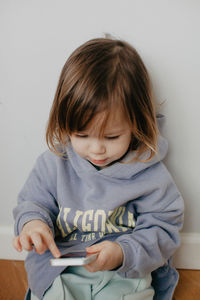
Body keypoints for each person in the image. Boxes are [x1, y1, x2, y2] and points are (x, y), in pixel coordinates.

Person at [13, 37, 184, 300]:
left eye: (112, 137)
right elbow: (32, 202)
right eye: (82, 135)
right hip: (60, 270)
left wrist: (122, 253)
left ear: (136, 123)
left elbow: (163, 230)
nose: (96, 150)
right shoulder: (53, 164)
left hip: (124, 273)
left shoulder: (150, 174)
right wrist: (34, 225)